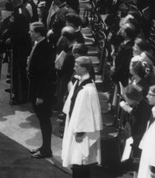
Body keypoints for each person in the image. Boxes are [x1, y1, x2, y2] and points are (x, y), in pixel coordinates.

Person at [60, 56, 102, 175]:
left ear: (84, 69)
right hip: (75, 125)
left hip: (82, 131)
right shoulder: (79, 82)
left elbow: (87, 113)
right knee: (76, 161)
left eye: (76, 66)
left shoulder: (87, 89)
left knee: (81, 160)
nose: (74, 67)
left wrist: (80, 132)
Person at [26, 22, 57, 159]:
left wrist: (40, 95)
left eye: (31, 31)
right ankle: (44, 147)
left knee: (44, 120)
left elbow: (45, 76)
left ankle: (46, 150)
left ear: (38, 33)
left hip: (41, 92)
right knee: (42, 120)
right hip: (36, 89)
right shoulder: (39, 44)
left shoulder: (45, 48)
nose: (29, 33)